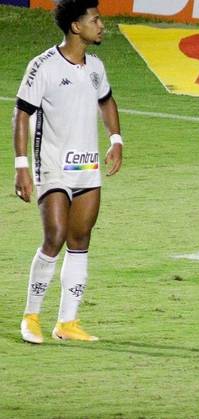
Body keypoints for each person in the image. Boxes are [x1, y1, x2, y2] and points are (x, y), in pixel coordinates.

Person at [14, 0, 123, 344]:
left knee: (80, 240)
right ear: (76, 27)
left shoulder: (96, 67)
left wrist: (116, 139)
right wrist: (21, 167)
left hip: (86, 166)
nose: (101, 25)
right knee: (55, 236)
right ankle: (31, 316)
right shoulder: (42, 67)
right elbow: (21, 114)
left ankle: (67, 323)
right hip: (53, 166)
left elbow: (106, 101)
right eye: (95, 20)